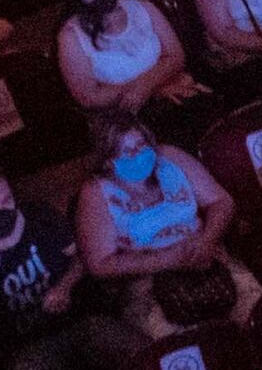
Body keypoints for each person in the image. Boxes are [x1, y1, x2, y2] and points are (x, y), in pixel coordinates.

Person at [73, 114, 250, 339]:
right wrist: (168, 259)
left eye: (142, 145)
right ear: (109, 161)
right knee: (186, 345)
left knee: (256, 312)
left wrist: (207, 240)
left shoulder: (171, 157)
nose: (139, 155)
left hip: (206, 256)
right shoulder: (95, 193)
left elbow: (221, 201)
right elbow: (99, 263)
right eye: (128, 152)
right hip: (148, 281)